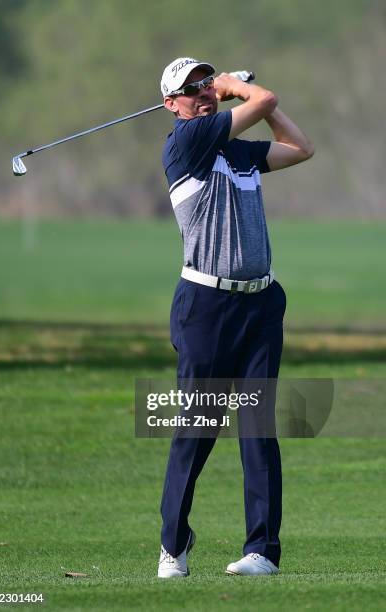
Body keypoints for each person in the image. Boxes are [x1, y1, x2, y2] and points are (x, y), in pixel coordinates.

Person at [157, 57, 314, 578]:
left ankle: (262, 551)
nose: (203, 93)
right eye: (192, 89)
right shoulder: (186, 144)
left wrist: (249, 101)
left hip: (260, 304)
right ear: (171, 105)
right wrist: (233, 87)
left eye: (207, 83)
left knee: (257, 428)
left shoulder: (238, 155)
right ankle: (173, 546)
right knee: (197, 428)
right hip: (206, 307)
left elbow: (300, 148)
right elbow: (263, 100)